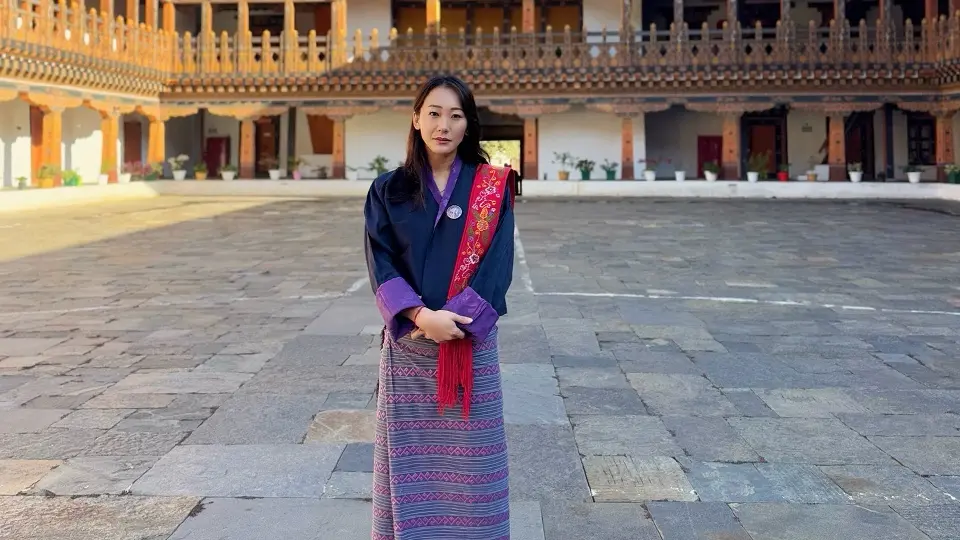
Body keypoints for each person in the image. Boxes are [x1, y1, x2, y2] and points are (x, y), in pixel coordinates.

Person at [364, 75, 515, 539]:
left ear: (469, 125)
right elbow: (380, 258)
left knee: (475, 465)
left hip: (466, 345)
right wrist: (419, 316)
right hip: (411, 348)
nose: (442, 125)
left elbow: (497, 264)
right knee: (412, 467)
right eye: (433, 112)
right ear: (416, 119)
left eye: (455, 115)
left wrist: (456, 322)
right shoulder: (388, 190)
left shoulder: (492, 188)